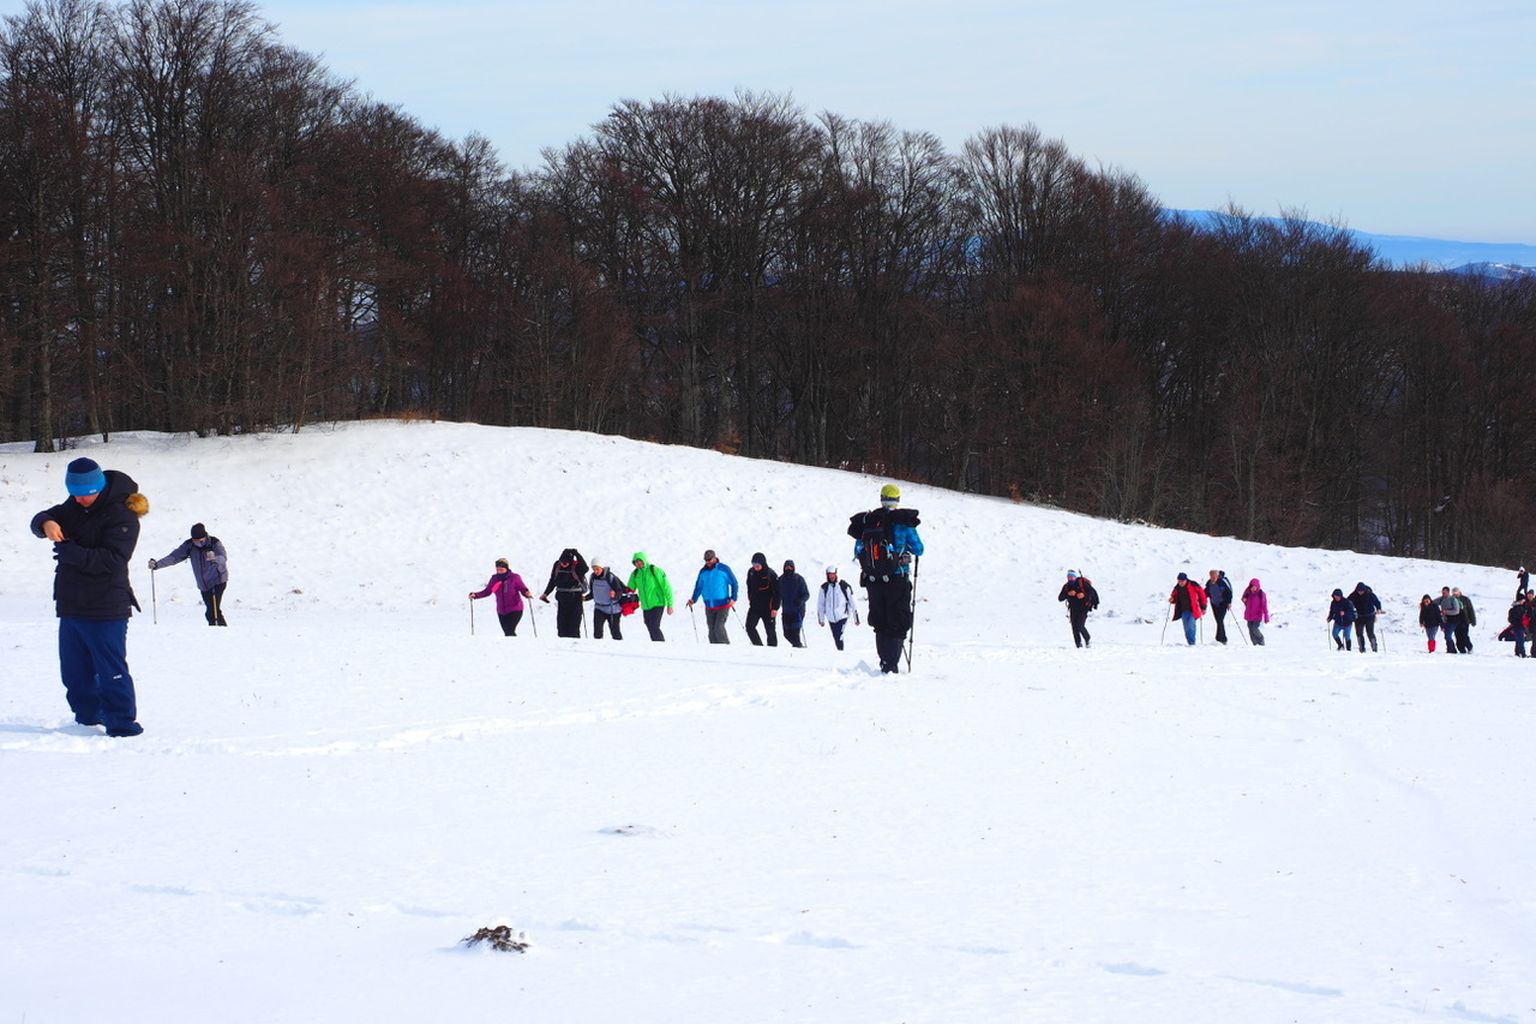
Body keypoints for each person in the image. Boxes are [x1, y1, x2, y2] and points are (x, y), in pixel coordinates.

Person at [30, 457, 149, 737]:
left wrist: (71, 552)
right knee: (74, 672)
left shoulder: (123, 515)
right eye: (74, 493)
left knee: (111, 670)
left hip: (106, 606)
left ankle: (121, 724)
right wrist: (46, 522)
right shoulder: (73, 506)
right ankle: (86, 719)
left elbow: (113, 560)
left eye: (86, 494)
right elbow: (40, 518)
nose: (80, 499)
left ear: (99, 488)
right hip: (71, 604)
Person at [850, 484, 924, 673]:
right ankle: (892, 664)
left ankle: (884, 661)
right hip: (897, 578)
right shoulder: (902, 523)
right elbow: (919, 549)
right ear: (897, 500)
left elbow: (858, 550)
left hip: (873, 580)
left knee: (880, 620)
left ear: (881, 498)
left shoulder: (869, 522)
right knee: (897, 619)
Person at [149, 522, 229, 626]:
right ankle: (219, 630)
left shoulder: (214, 543)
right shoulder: (189, 545)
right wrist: (157, 564)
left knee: (212, 612)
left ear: (205, 537)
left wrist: (215, 558)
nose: (198, 543)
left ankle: (217, 630)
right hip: (203, 584)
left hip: (217, 581)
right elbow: (174, 557)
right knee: (212, 611)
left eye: (201, 541)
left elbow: (223, 557)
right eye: (195, 541)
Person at [469, 558, 532, 636]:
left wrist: (526, 593)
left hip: (515, 608)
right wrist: (475, 595)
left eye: (501, 569)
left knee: (509, 631)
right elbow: (487, 591)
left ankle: (514, 643)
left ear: (506, 568)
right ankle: (512, 644)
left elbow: (522, 588)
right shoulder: (494, 579)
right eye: (497, 569)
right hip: (501, 610)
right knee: (507, 633)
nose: (499, 571)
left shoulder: (515, 577)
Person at [686, 550, 739, 644]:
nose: (708, 562)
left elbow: (734, 583)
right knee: (711, 632)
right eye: (706, 560)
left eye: (709, 559)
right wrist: (693, 599)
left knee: (719, 628)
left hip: (723, 604)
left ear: (714, 558)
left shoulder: (723, 569)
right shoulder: (703, 572)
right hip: (709, 605)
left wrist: (734, 598)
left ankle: (726, 648)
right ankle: (714, 651)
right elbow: (699, 587)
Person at [539, 548, 589, 638]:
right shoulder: (557, 565)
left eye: (566, 563)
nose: (563, 564)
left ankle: (574, 644)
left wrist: (577, 554)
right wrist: (546, 593)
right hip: (562, 600)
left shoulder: (576, 566)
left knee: (573, 629)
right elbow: (553, 580)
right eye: (562, 562)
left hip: (575, 600)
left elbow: (585, 568)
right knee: (561, 628)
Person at [626, 552, 674, 641]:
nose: (638, 563)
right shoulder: (635, 574)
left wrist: (670, 605)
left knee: (654, 626)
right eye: (636, 562)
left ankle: (661, 646)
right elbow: (629, 589)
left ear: (644, 560)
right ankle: (656, 645)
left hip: (658, 603)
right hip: (645, 606)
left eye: (640, 561)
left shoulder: (654, 570)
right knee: (649, 625)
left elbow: (667, 588)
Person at [586, 558, 632, 640]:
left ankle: (619, 646)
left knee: (615, 632)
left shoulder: (610, 577)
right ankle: (598, 647)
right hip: (599, 608)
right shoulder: (592, 578)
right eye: (593, 569)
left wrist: (614, 595)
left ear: (602, 567)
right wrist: (584, 598)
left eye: (597, 569)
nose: (595, 571)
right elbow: (593, 593)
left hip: (613, 609)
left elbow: (619, 591)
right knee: (597, 633)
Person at [817, 566, 859, 650]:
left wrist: (856, 618)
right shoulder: (824, 588)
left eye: (833, 574)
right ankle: (839, 652)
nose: (832, 576)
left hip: (842, 616)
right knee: (836, 637)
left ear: (836, 574)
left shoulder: (844, 586)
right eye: (830, 575)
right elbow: (820, 604)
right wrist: (821, 619)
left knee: (839, 635)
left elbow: (853, 602)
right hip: (831, 618)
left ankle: (841, 652)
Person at [743, 553, 781, 647]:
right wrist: (750, 599)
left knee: (770, 631)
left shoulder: (770, 574)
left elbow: (778, 593)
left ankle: (772, 650)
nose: (755, 567)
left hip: (768, 608)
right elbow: (749, 587)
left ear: (763, 564)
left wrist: (775, 608)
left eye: (757, 565)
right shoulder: (751, 572)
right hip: (755, 607)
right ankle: (758, 647)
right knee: (749, 627)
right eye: (753, 565)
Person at [1057, 569, 1098, 648]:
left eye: (1071, 576)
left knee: (1080, 625)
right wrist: (1068, 594)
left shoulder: (1082, 583)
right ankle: (1078, 645)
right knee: (1074, 628)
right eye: (1068, 576)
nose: (1070, 578)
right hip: (1073, 609)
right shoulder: (1066, 586)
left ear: (1075, 577)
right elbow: (1060, 598)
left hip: (1083, 608)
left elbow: (1092, 593)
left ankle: (1087, 639)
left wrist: (1083, 595)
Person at [1168, 572, 1207, 645]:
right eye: (1179, 581)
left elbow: (1202, 595)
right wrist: (1172, 599)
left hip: (1193, 610)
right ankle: (1190, 643)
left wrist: (1203, 607)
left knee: (1191, 626)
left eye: (1182, 581)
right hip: (1183, 610)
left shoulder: (1193, 585)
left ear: (1186, 580)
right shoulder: (1177, 588)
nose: (1180, 583)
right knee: (1186, 628)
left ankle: (1192, 643)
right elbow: (1174, 597)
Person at [779, 560, 810, 648]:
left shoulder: (799, 579)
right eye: (786, 567)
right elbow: (777, 593)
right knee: (786, 634)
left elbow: (806, 594)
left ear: (793, 568)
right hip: (786, 611)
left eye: (790, 567)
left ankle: (797, 649)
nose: (788, 569)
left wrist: (800, 600)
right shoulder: (781, 580)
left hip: (797, 611)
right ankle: (798, 646)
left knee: (795, 633)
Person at [1349, 581, 1381, 653]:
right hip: (1359, 617)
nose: (1360, 592)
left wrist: (1378, 608)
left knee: (1370, 633)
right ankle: (1362, 649)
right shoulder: (1353, 595)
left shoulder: (1370, 594)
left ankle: (1374, 648)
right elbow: (1348, 602)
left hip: (1369, 616)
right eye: (1358, 591)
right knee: (1359, 633)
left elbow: (1377, 602)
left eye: (1361, 591)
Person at [1204, 569, 1234, 644]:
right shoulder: (1209, 584)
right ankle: (1220, 638)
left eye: (1215, 576)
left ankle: (1222, 639)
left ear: (1217, 576)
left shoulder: (1222, 583)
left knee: (1220, 620)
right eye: (1212, 576)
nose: (1213, 578)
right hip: (1214, 604)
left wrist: (1229, 602)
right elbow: (1206, 593)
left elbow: (1229, 593)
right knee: (1218, 621)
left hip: (1223, 603)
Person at [1241, 578, 1269, 645]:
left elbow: (1264, 606)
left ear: (1257, 586)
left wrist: (1266, 617)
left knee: (1254, 628)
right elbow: (1244, 599)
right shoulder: (1248, 592)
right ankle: (1255, 644)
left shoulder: (1261, 594)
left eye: (1254, 587)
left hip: (1257, 616)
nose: (1253, 588)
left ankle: (1261, 639)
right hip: (1249, 615)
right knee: (1250, 631)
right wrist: (1244, 600)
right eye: (1251, 587)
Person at [1435, 587, 1462, 653]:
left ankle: (1451, 650)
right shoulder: (1441, 599)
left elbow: (1456, 611)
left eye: (1444, 592)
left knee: (1448, 635)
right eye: (1442, 592)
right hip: (1445, 620)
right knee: (1446, 635)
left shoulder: (1453, 600)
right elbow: (1433, 602)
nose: (1443, 594)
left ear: (1448, 592)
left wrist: (1446, 612)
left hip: (1453, 621)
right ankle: (1451, 649)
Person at [1451, 587, 1476, 654]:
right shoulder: (1451, 600)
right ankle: (1461, 650)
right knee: (1458, 637)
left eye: (1456, 593)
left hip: (1465, 621)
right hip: (1455, 621)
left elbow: (1470, 610)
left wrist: (1473, 620)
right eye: (1454, 594)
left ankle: (1470, 647)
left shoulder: (1465, 599)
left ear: (1459, 592)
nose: (1455, 595)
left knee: (1464, 636)